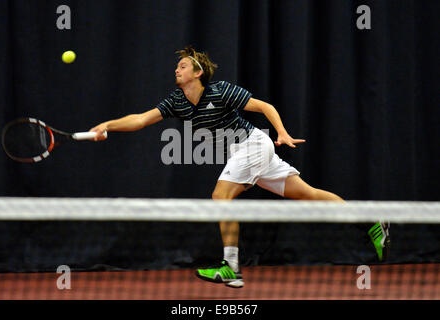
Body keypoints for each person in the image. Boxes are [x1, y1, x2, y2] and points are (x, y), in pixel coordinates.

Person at [90, 46, 390, 288]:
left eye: (182, 66)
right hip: (248, 153)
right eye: (177, 67)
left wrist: (282, 133)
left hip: (253, 146)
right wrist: (108, 125)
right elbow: (141, 119)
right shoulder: (176, 101)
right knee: (309, 194)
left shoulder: (221, 91)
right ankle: (371, 223)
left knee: (221, 198)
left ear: (197, 72)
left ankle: (230, 267)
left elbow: (264, 107)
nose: (176, 70)